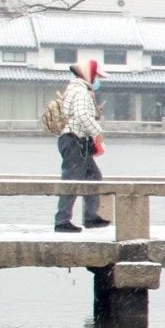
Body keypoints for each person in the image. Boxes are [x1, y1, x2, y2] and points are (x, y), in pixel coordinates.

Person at [55, 59, 111, 233]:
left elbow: (78, 113)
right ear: (89, 75)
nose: (97, 79)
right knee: (71, 180)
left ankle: (91, 217)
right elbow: (80, 115)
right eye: (95, 76)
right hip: (75, 141)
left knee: (93, 176)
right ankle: (62, 221)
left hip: (77, 141)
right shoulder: (81, 91)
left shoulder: (76, 89)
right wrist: (97, 131)